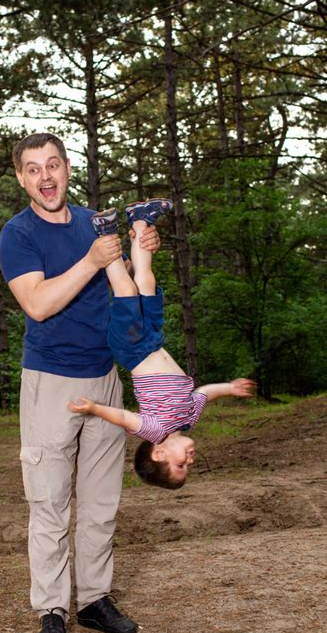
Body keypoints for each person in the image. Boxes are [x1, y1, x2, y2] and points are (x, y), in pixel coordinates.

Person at [0, 133, 160, 633]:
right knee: (49, 504)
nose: (46, 177)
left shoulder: (95, 222)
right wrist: (91, 259)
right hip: (51, 382)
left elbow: (124, 286)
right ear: (21, 179)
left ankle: (93, 600)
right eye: (33, 169)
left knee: (100, 503)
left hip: (104, 379)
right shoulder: (17, 236)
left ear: (67, 169)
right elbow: (39, 305)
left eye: (53, 165)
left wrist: (138, 255)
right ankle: (51, 609)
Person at [69, 201, 256, 489]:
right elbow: (204, 392)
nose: (190, 462)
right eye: (187, 468)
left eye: (180, 465)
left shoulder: (155, 430)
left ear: (159, 453)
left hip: (132, 347)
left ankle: (105, 234)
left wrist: (95, 408)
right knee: (146, 280)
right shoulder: (187, 419)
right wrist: (230, 388)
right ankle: (140, 220)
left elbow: (123, 417)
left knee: (126, 290)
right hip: (154, 339)